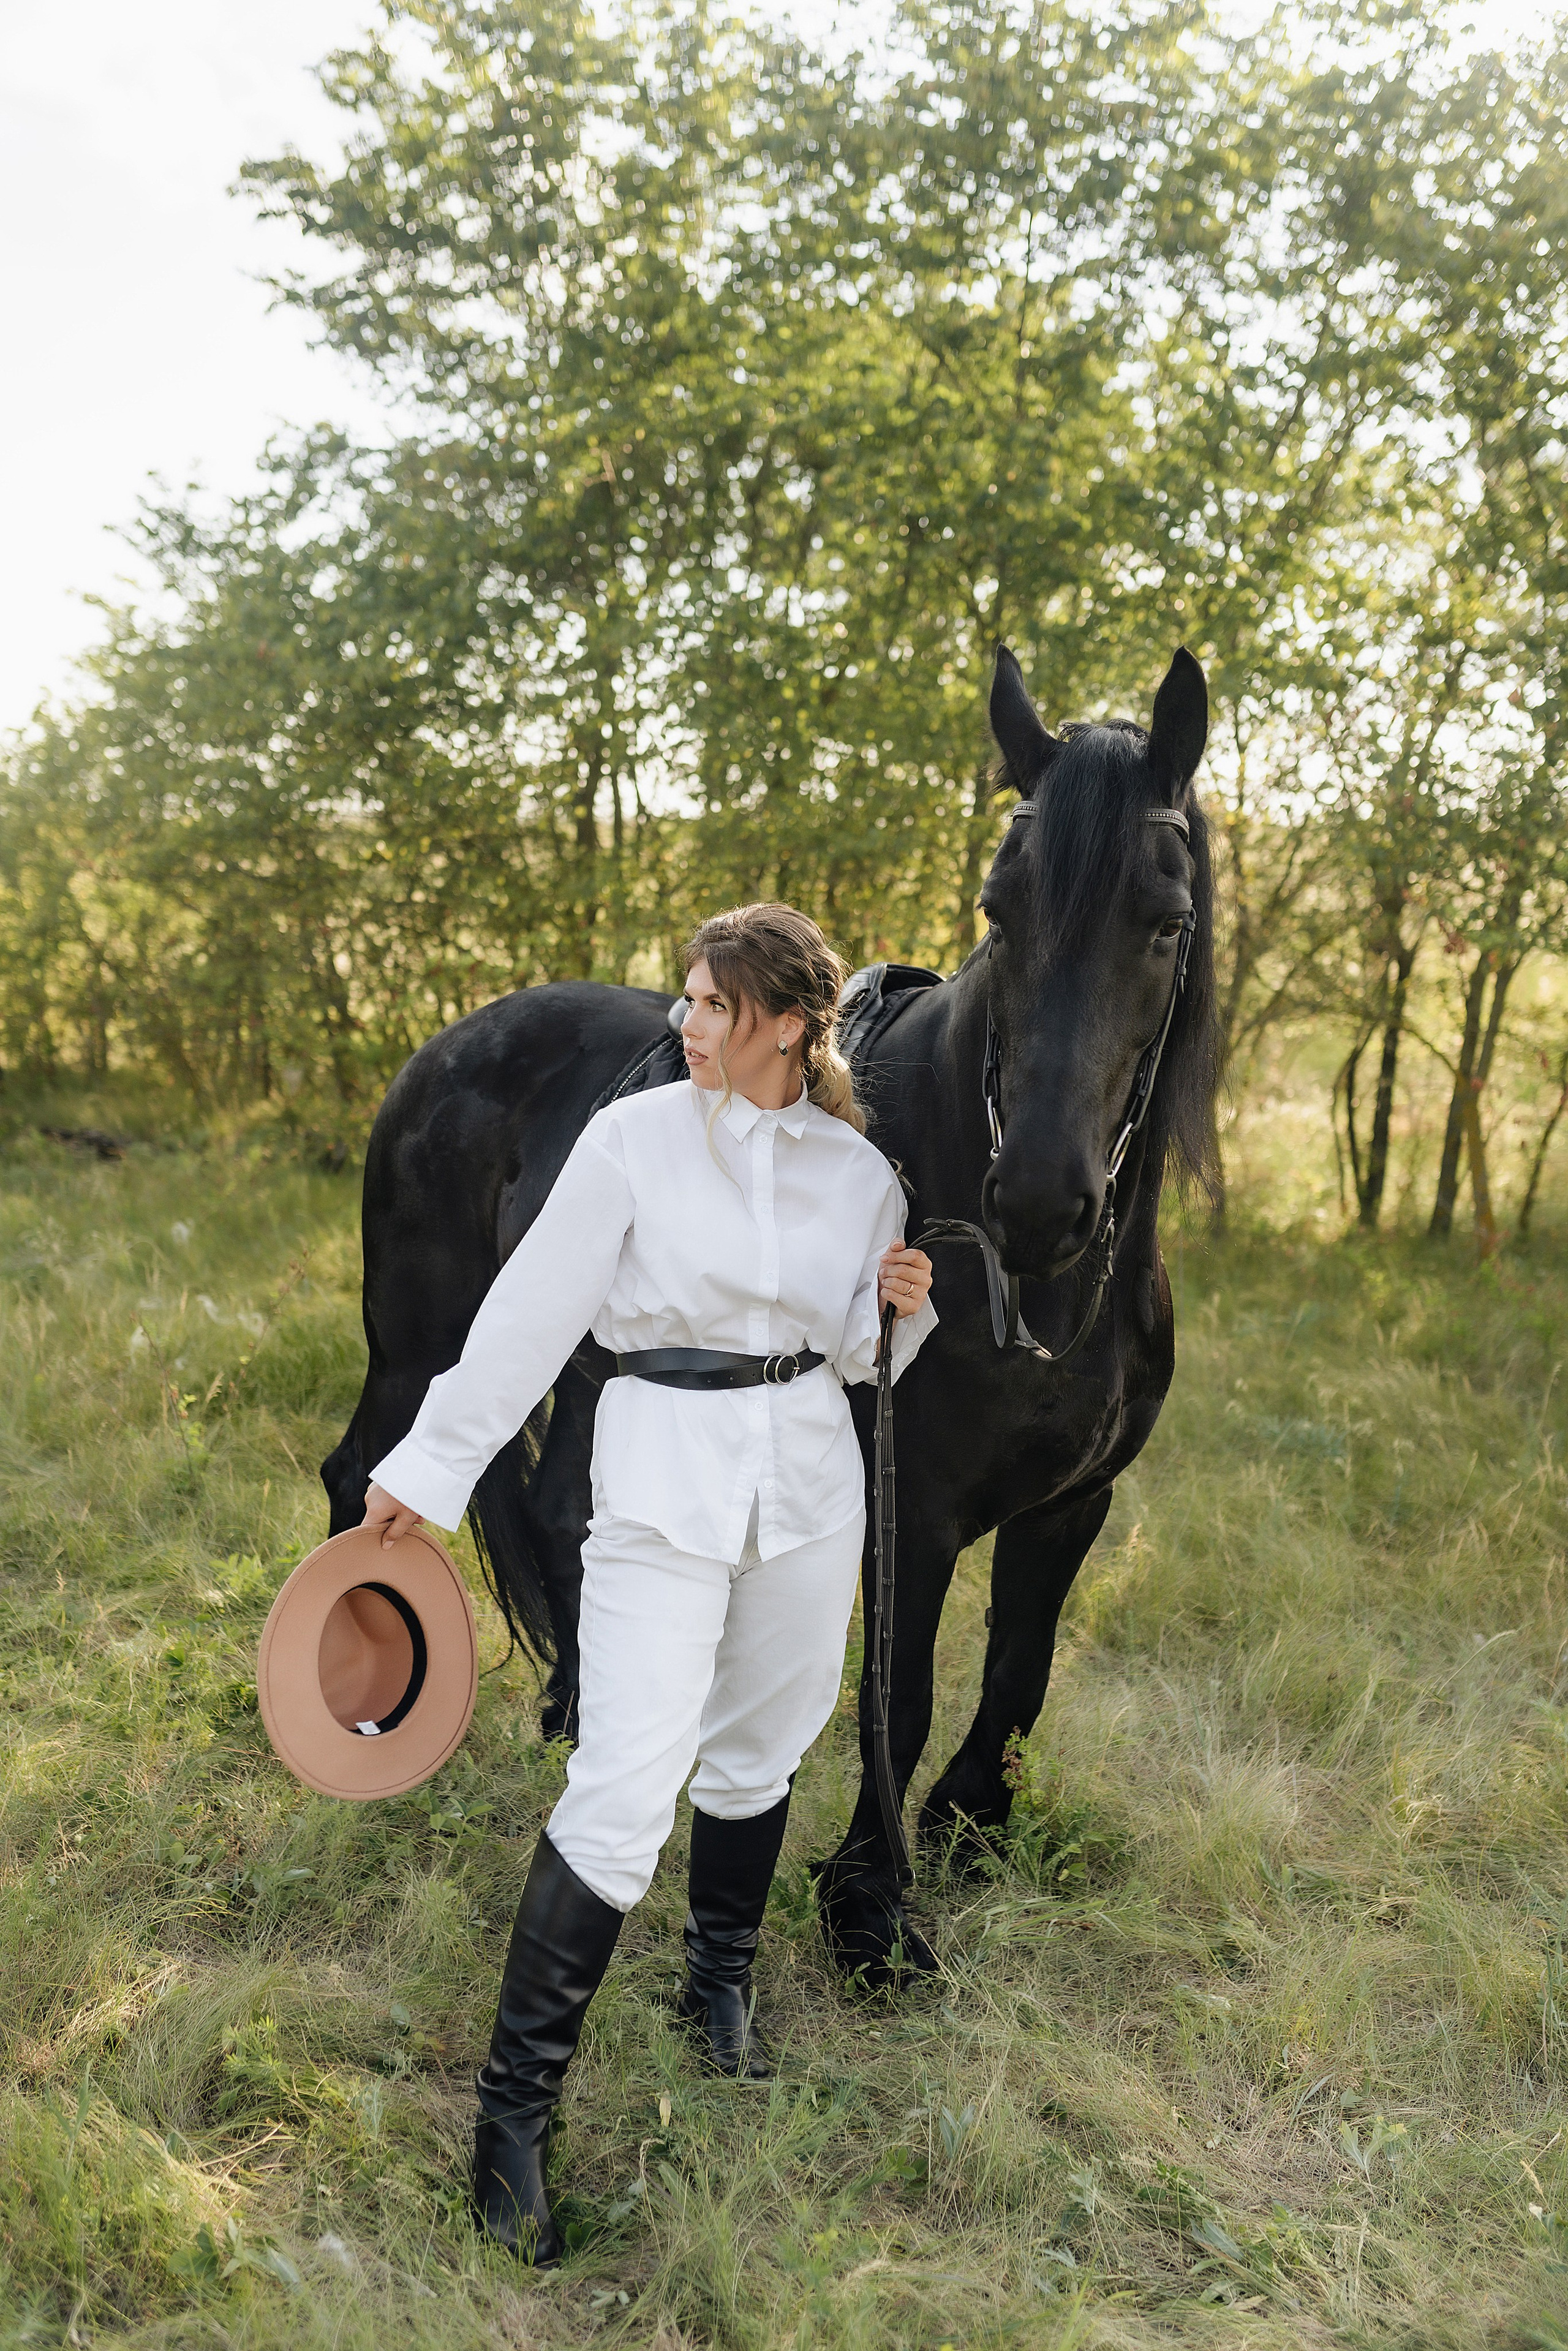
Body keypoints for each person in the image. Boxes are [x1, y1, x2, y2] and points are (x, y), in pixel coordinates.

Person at [360, 902, 937, 2263]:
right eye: (682, 998)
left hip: (805, 1490)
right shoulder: (628, 1142)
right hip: (660, 1480)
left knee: (760, 1748)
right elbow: (527, 1317)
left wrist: (903, 1309)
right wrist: (428, 1468)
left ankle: (716, 1983)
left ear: (788, 1025)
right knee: (622, 1783)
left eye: (711, 1006)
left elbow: (865, 1361)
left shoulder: (858, 1176)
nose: (682, 1024)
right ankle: (512, 2115)